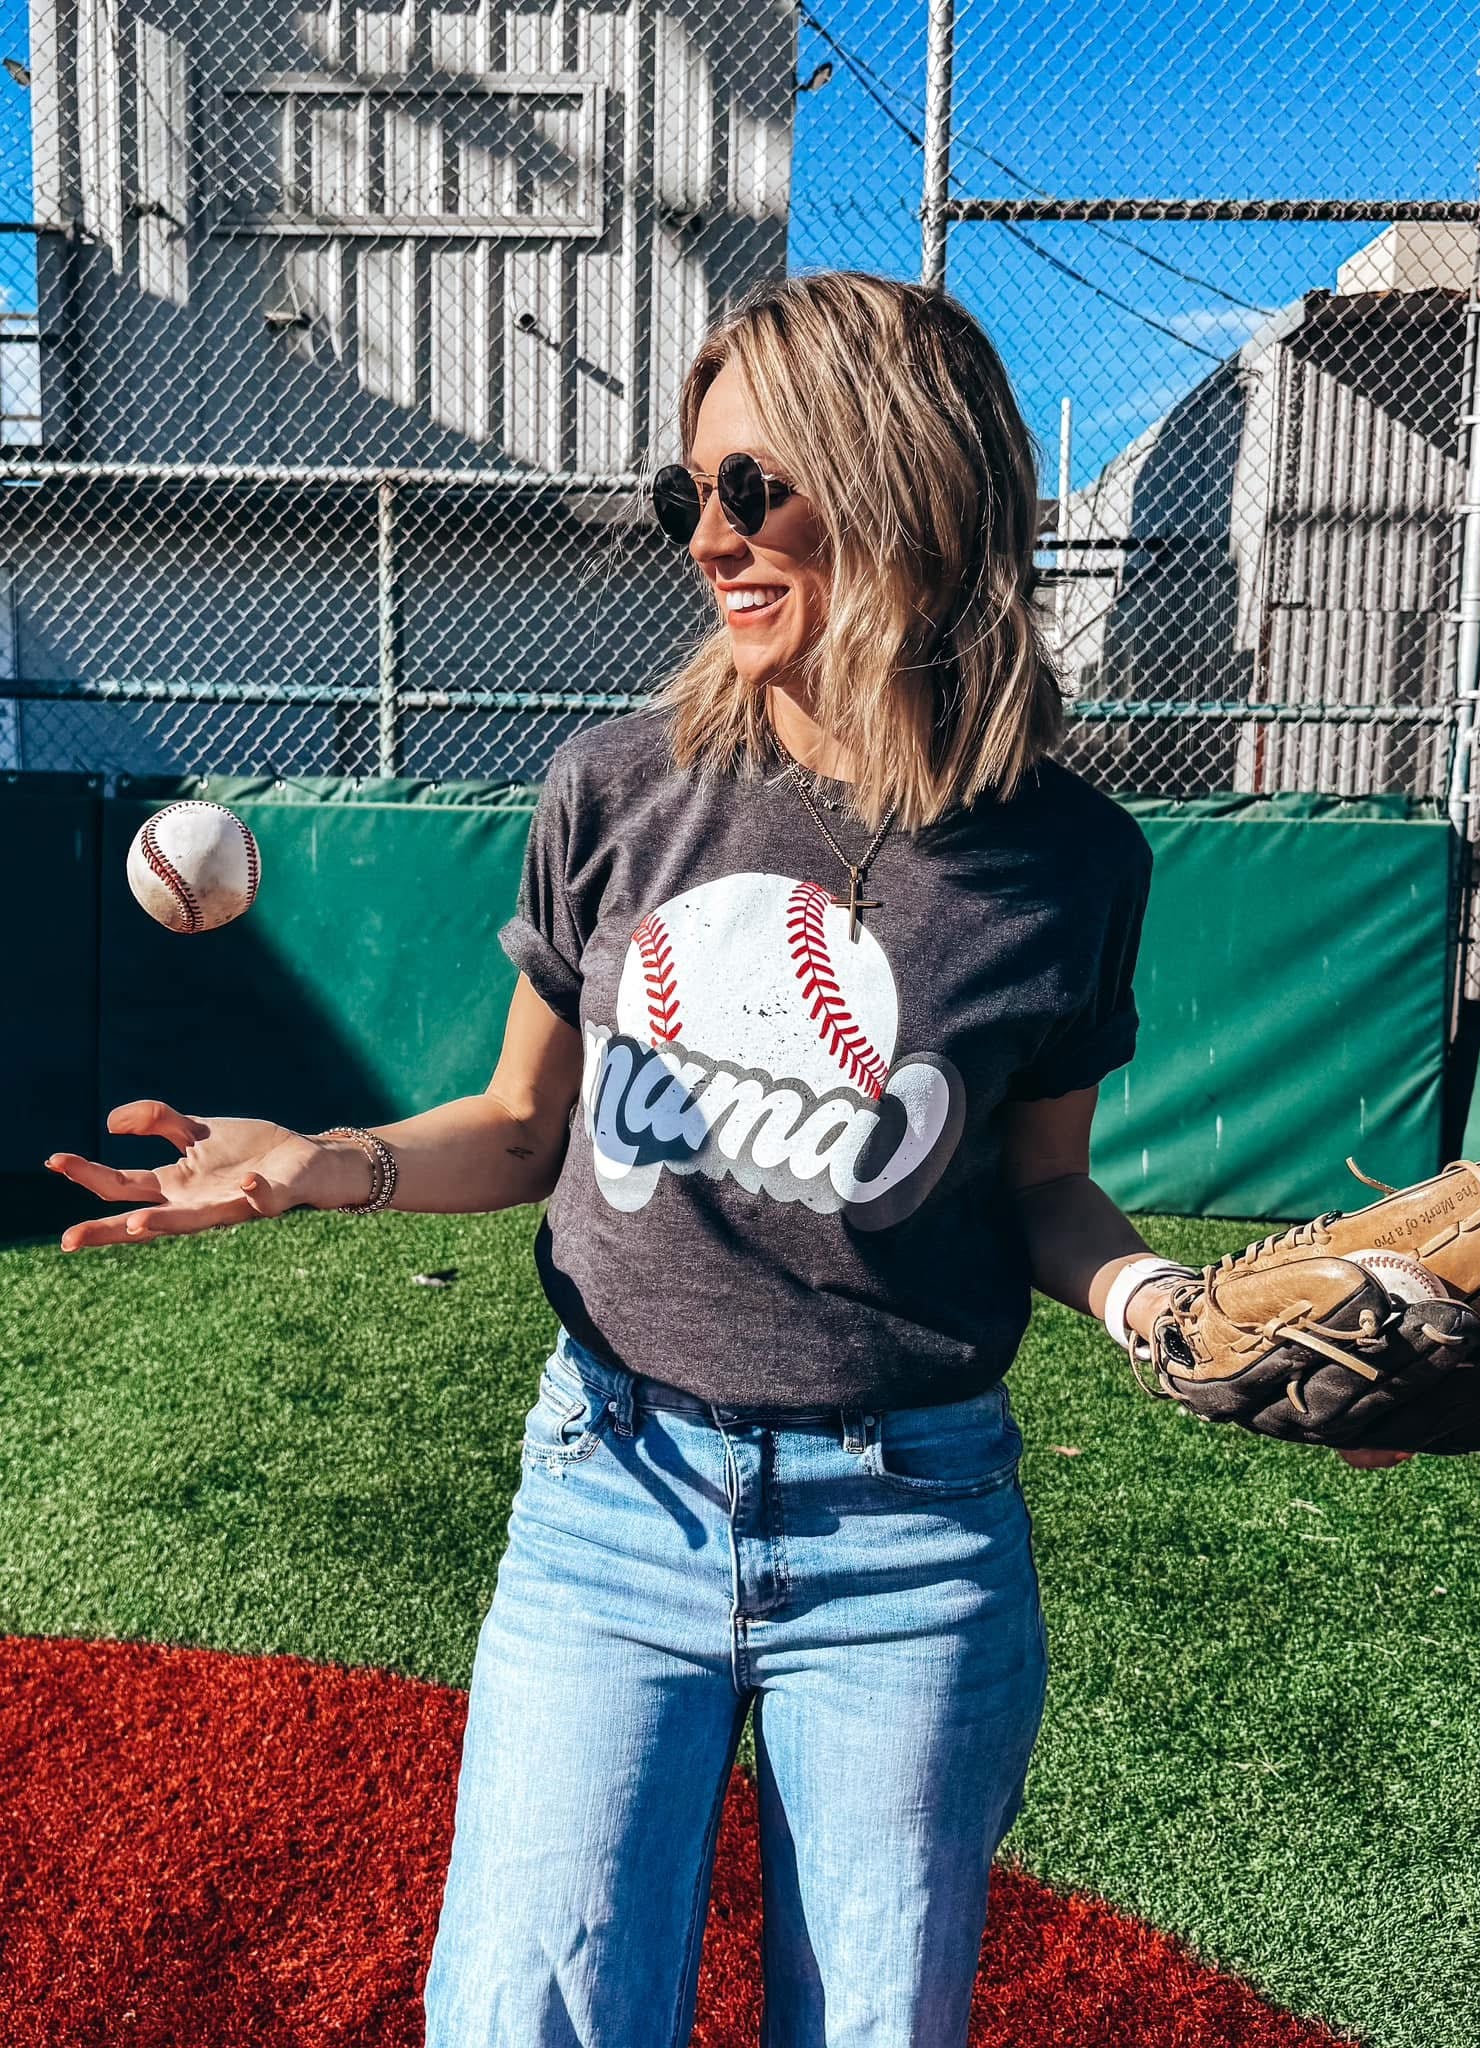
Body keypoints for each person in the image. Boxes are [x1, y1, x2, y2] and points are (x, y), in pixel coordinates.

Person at [45, 269, 1404, 2048]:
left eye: (754, 486)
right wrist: (325, 1162)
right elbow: (521, 1127)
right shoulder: (617, 789)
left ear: (905, 482)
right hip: (611, 1494)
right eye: (688, 492)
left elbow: (1046, 1188)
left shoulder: (1071, 858)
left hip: (911, 1530)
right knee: (520, 2015)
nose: (708, 536)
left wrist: (1160, 1304)